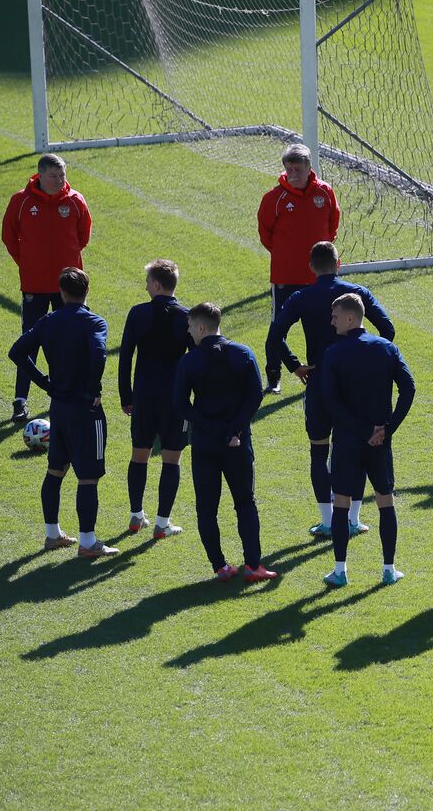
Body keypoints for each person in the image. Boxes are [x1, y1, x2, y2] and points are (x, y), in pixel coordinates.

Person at [265, 241, 395, 539]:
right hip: (357, 386)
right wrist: (368, 358)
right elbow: (387, 329)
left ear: (310, 267)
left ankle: (327, 521)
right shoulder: (357, 293)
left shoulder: (301, 296)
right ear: (339, 264)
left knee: (318, 451)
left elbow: (275, 337)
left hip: (320, 382)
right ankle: (353, 520)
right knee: (358, 447)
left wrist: (296, 365)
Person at [8, 267, 114, 557]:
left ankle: (52, 535)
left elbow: (17, 352)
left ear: (62, 292)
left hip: (59, 408)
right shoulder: (94, 322)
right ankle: (88, 542)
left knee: (55, 471)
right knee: (88, 477)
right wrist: (93, 389)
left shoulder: (48, 321)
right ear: (87, 291)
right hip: (85, 410)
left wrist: (44, 383)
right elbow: (98, 353)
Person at [173, 303, 276, 581]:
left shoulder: (189, 361)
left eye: (191, 326)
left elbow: (181, 405)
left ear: (202, 327)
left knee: (207, 507)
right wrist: (233, 430)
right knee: (245, 502)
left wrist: (215, 429)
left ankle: (220, 567)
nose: (188, 331)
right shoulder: (243, 353)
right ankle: (254, 566)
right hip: (238, 442)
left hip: (206, 445)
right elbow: (255, 396)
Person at [320, 294, 416, 587]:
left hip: (348, 441)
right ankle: (388, 569)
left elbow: (331, 402)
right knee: (385, 502)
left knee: (342, 506)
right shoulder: (387, 348)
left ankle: (340, 571)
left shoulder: (334, 353)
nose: (332, 320)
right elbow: (409, 388)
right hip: (380, 443)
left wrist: (362, 430)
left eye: (335, 315)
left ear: (350, 318)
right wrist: (387, 428)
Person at [1, 153, 92, 423]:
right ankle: (21, 401)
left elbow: (83, 236)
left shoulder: (75, 201)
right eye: (54, 175)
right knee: (29, 342)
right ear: (40, 174)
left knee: (70, 341)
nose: (59, 180)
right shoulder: (21, 201)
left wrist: (69, 267)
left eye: (62, 174)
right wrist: (28, 263)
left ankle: (69, 393)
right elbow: (9, 236)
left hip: (69, 288)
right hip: (35, 285)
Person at [117, 259, 191, 538]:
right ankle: (162, 523)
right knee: (171, 460)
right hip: (175, 400)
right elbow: (195, 360)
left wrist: (126, 396)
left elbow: (125, 358)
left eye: (148, 281)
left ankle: (136, 516)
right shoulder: (186, 316)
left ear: (157, 284)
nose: (145, 285)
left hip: (144, 397)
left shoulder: (137, 314)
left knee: (139, 456)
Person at [257, 143, 339, 394]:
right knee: (278, 329)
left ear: (308, 168)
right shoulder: (274, 198)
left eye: (297, 168)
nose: (292, 173)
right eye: (288, 168)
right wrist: (286, 255)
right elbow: (265, 233)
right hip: (286, 277)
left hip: (320, 278)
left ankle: (322, 372)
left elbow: (332, 225)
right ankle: (274, 377)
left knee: (324, 328)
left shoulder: (324, 193)